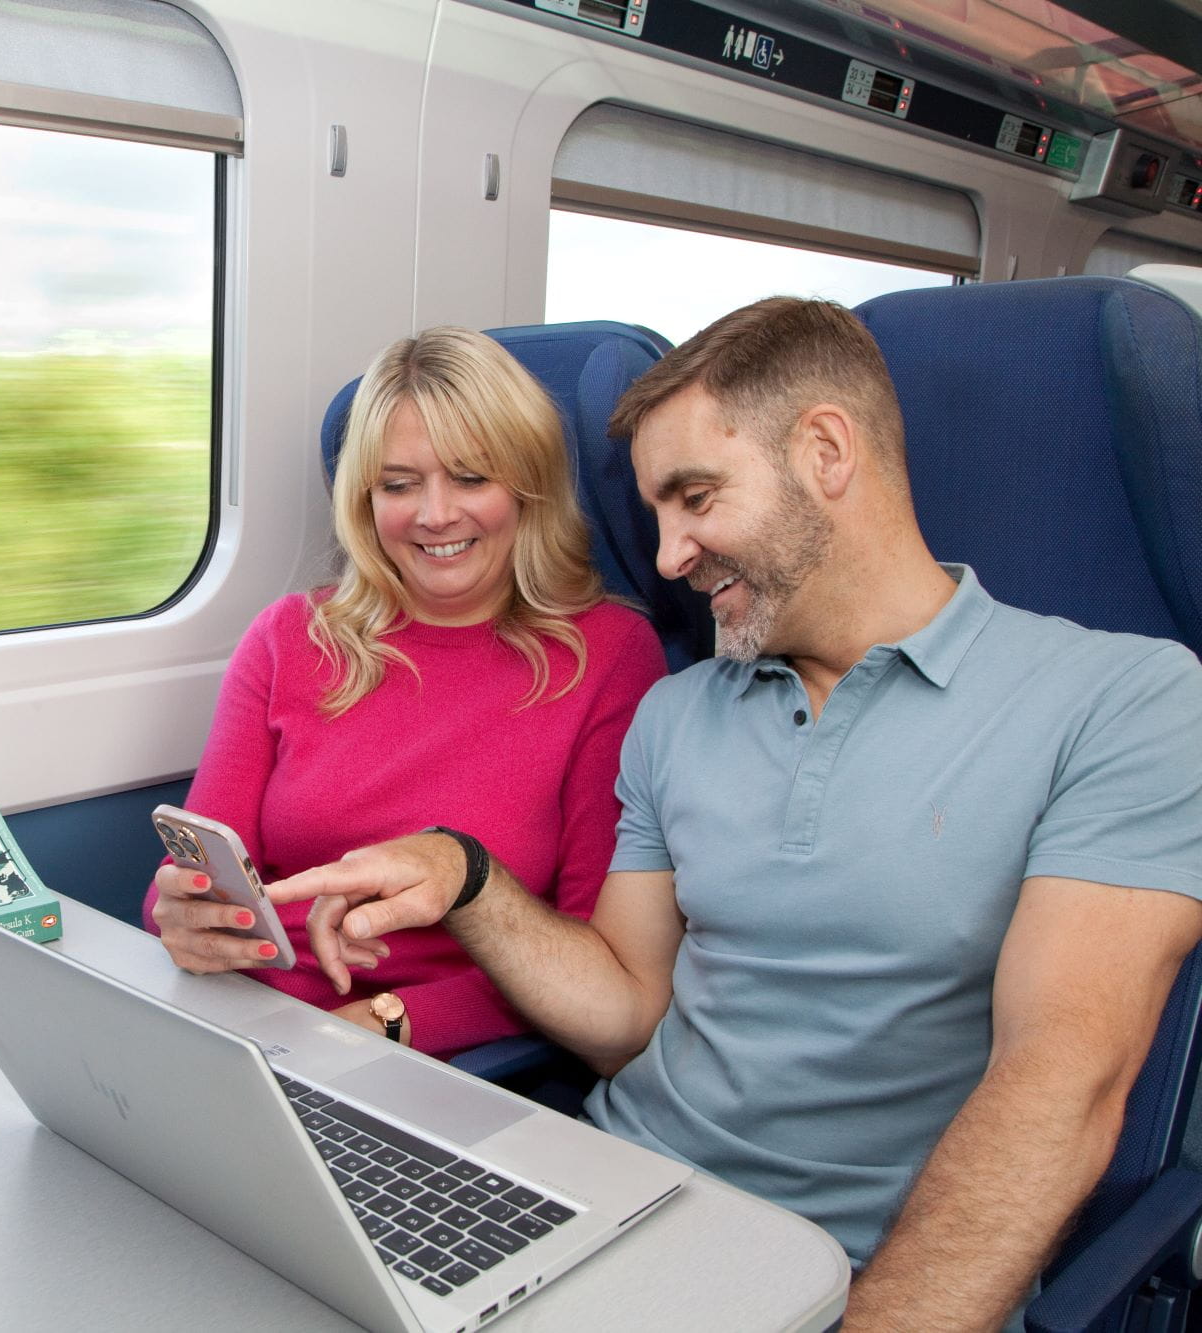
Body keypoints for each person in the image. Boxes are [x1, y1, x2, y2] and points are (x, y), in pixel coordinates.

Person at [267, 297, 1202, 1329]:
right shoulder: (678, 712)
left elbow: (1061, 1081)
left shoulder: (1122, 699)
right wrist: (467, 877)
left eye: (694, 497)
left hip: (828, 1268)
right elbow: (625, 1016)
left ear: (824, 452)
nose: (667, 557)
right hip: (600, 1196)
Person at [145, 326, 665, 1058]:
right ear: (365, 498)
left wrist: (385, 1023)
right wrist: (181, 918)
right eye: (399, 484)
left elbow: (590, 961)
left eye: (471, 477)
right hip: (241, 1023)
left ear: (528, 487)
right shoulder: (289, 636)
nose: (434, 514)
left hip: (422, 1055)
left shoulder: (607, 655)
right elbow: (198, 872)